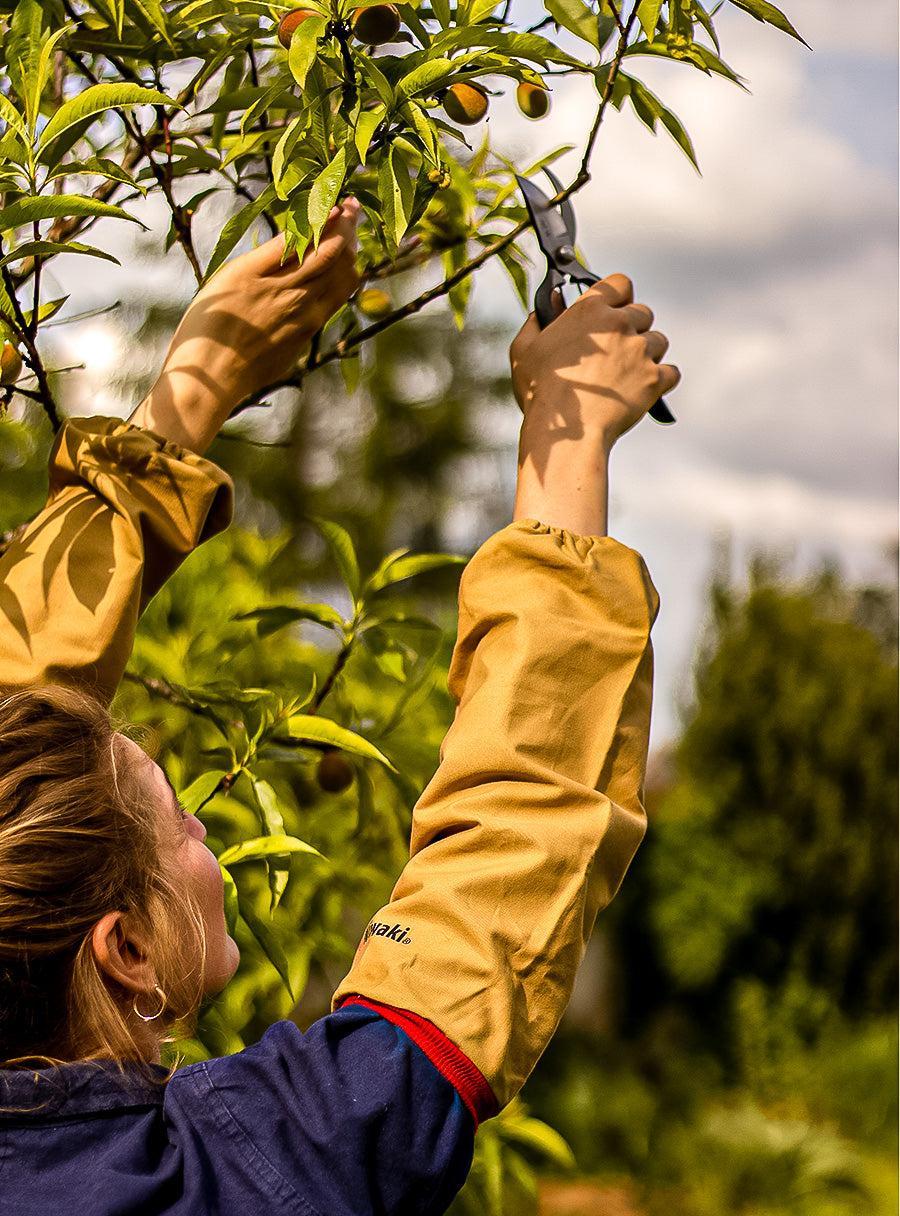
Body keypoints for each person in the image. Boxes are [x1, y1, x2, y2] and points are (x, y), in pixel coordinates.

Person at [0, 196, 679, 1215]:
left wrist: (194, 392)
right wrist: (571, 440)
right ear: (127, 948)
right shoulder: (227, 1178)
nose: (203, 822)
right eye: (176, 813)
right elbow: (510, 847)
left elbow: (19, 760)